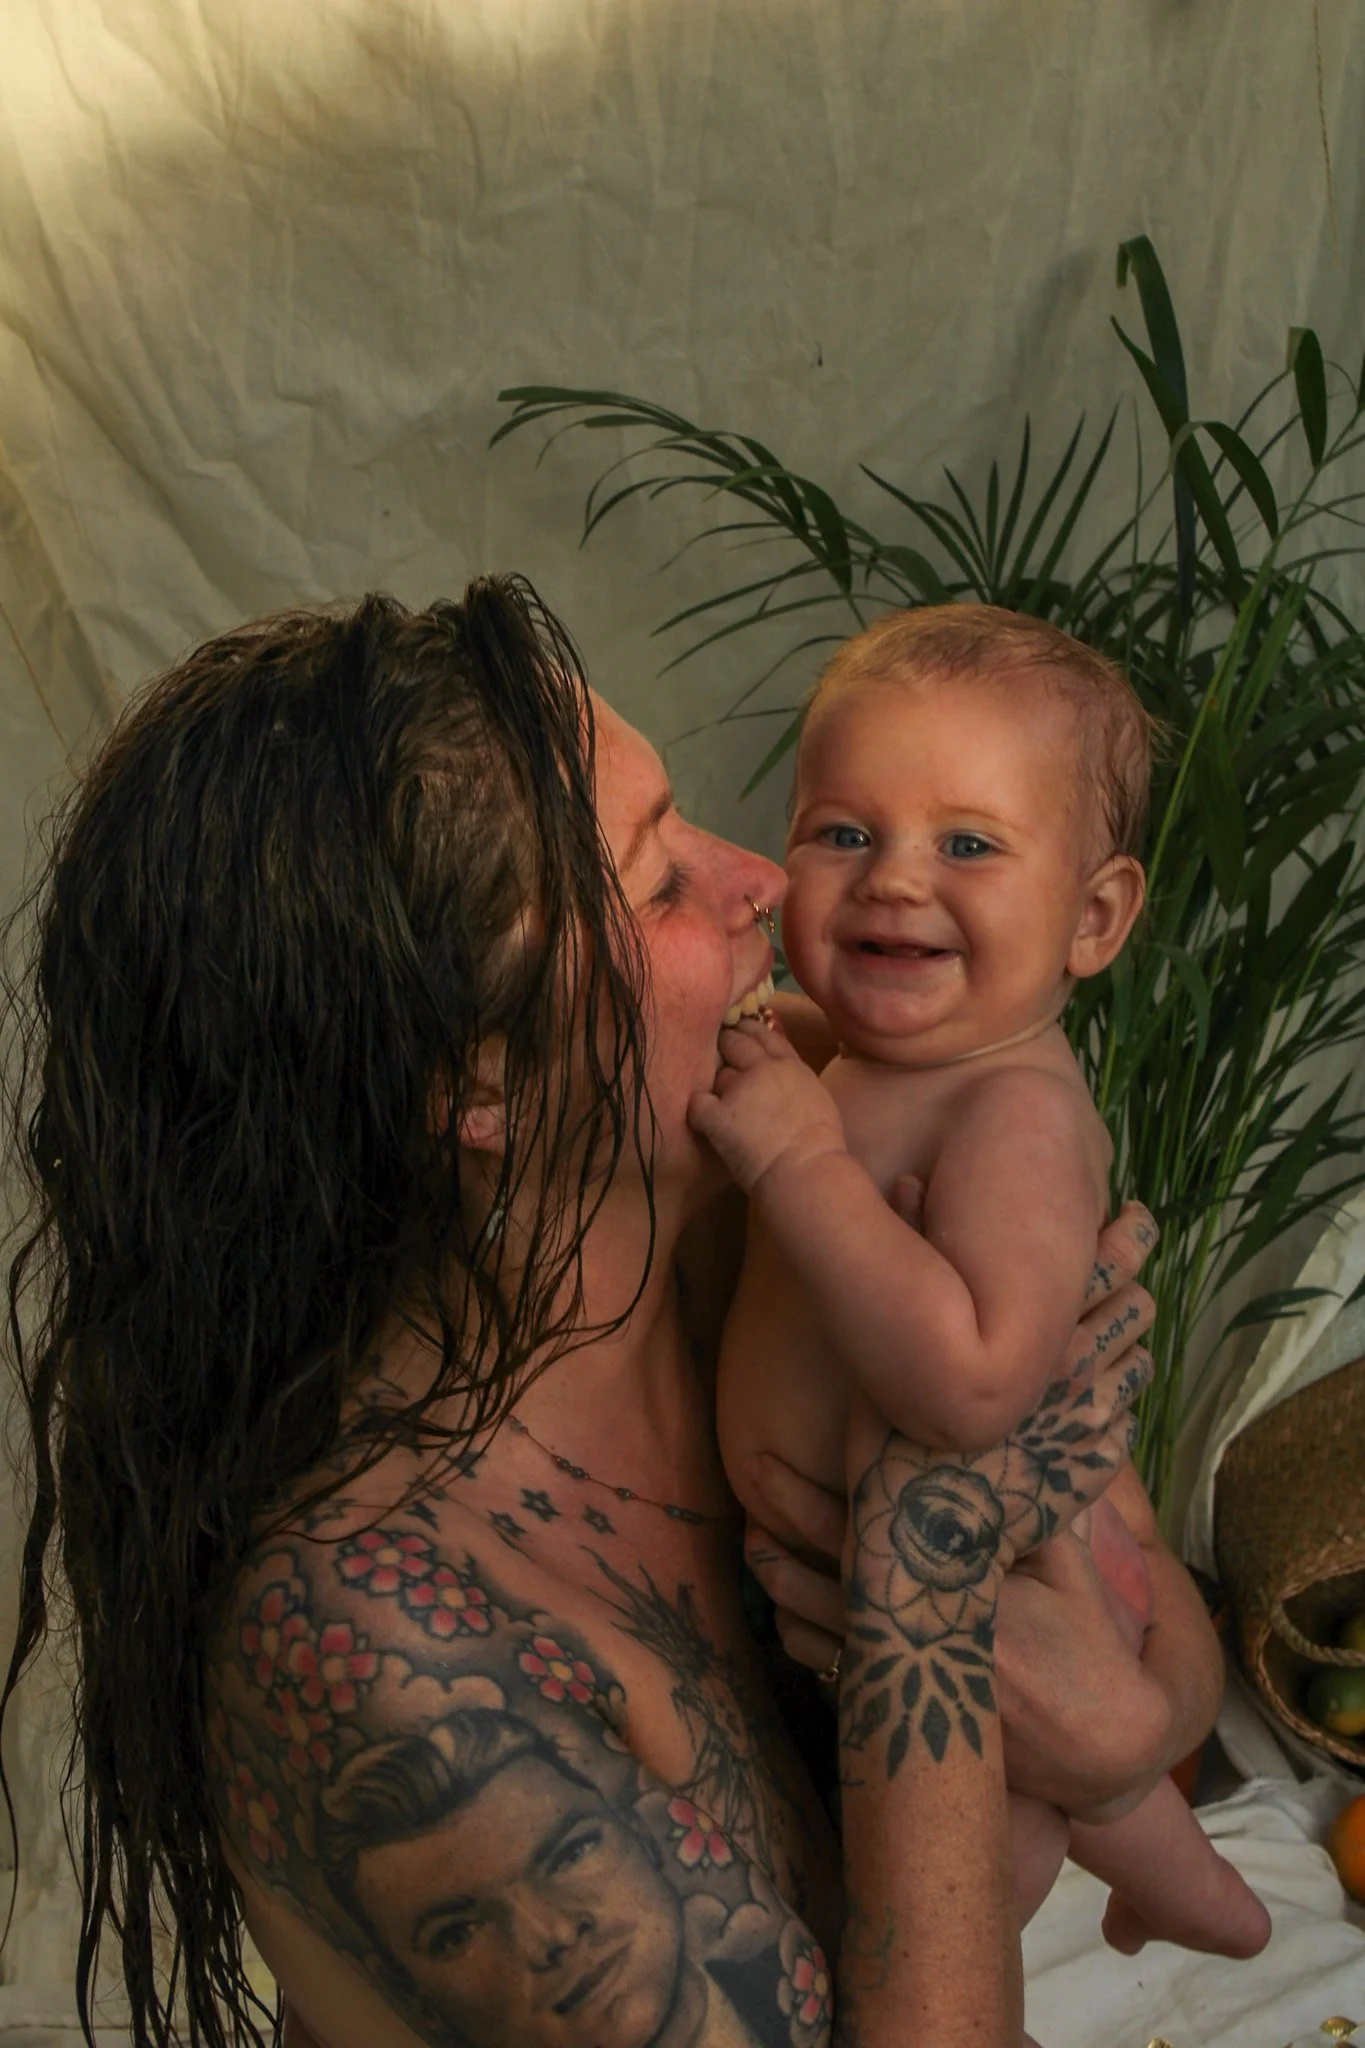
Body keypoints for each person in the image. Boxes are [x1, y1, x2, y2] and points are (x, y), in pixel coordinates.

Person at [0, 578, 1201, 2048]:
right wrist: (926, 1589)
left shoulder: (801, 1209)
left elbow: (1159, 1651)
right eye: (657, 882)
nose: (764, 877)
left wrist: (1124, 1735)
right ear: (477, 1085)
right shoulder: (370, 1643)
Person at [706, 604, 1270, 1964]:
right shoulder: (881, 1061)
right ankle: (1168, 1882)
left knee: (1008, 1830)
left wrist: (795, 1168)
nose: (896, 879)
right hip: (890, 1598)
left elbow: (973, 1381)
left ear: (1093, 918)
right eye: (846, 833)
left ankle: (1192, 1893)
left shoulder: (1012, 1112)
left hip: (1012, 1580)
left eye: (968, 843)